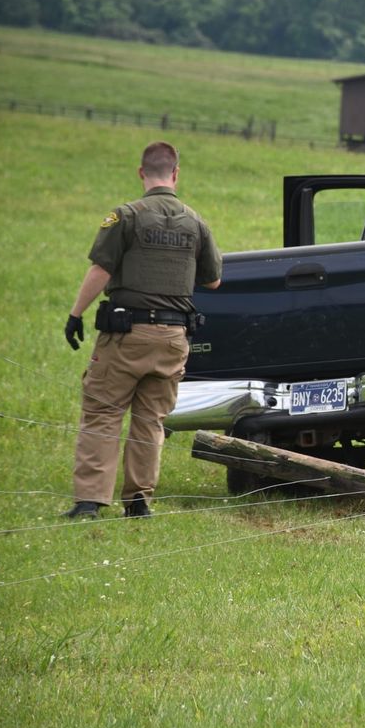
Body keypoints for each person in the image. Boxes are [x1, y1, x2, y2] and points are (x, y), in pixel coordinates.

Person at [62, 142, 222, 519]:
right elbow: (213, 281)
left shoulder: (126, 217)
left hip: (126, 335)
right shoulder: (196, 222)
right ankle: (138, 502)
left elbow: (100, 270)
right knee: (151, 421)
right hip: (172, 340)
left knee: (103, 411)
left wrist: (75, 314)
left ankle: (89, 501)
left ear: (141, 173)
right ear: (176, 174)